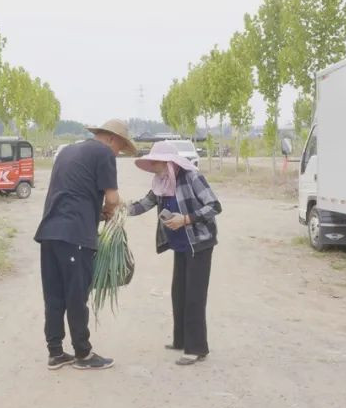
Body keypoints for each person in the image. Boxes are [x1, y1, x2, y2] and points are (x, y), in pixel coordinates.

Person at [34, 119, 137, 370]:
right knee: (76, 295)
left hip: (49, 232)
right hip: (75, 235)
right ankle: (83, 353)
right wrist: (111, 210)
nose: (118, 153)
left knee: (54, 295)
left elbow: (72, 193)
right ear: (112, 139)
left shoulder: (67, 151)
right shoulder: (104, 153)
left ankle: (55, 352)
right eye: (120, 147)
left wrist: (95, 212)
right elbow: (112, 198)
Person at [128, 141, 222, 366]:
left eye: (156, 162)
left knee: (194, 296)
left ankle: (196, 348)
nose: (153, 166)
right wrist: (119, 209)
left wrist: (186, 219)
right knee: (179, 292)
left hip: (199, 243)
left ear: (169, 163)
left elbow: (214, 206)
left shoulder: (191, 177)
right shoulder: (161, 182)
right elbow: (143, 204)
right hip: (180, 245)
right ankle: (180, 340)